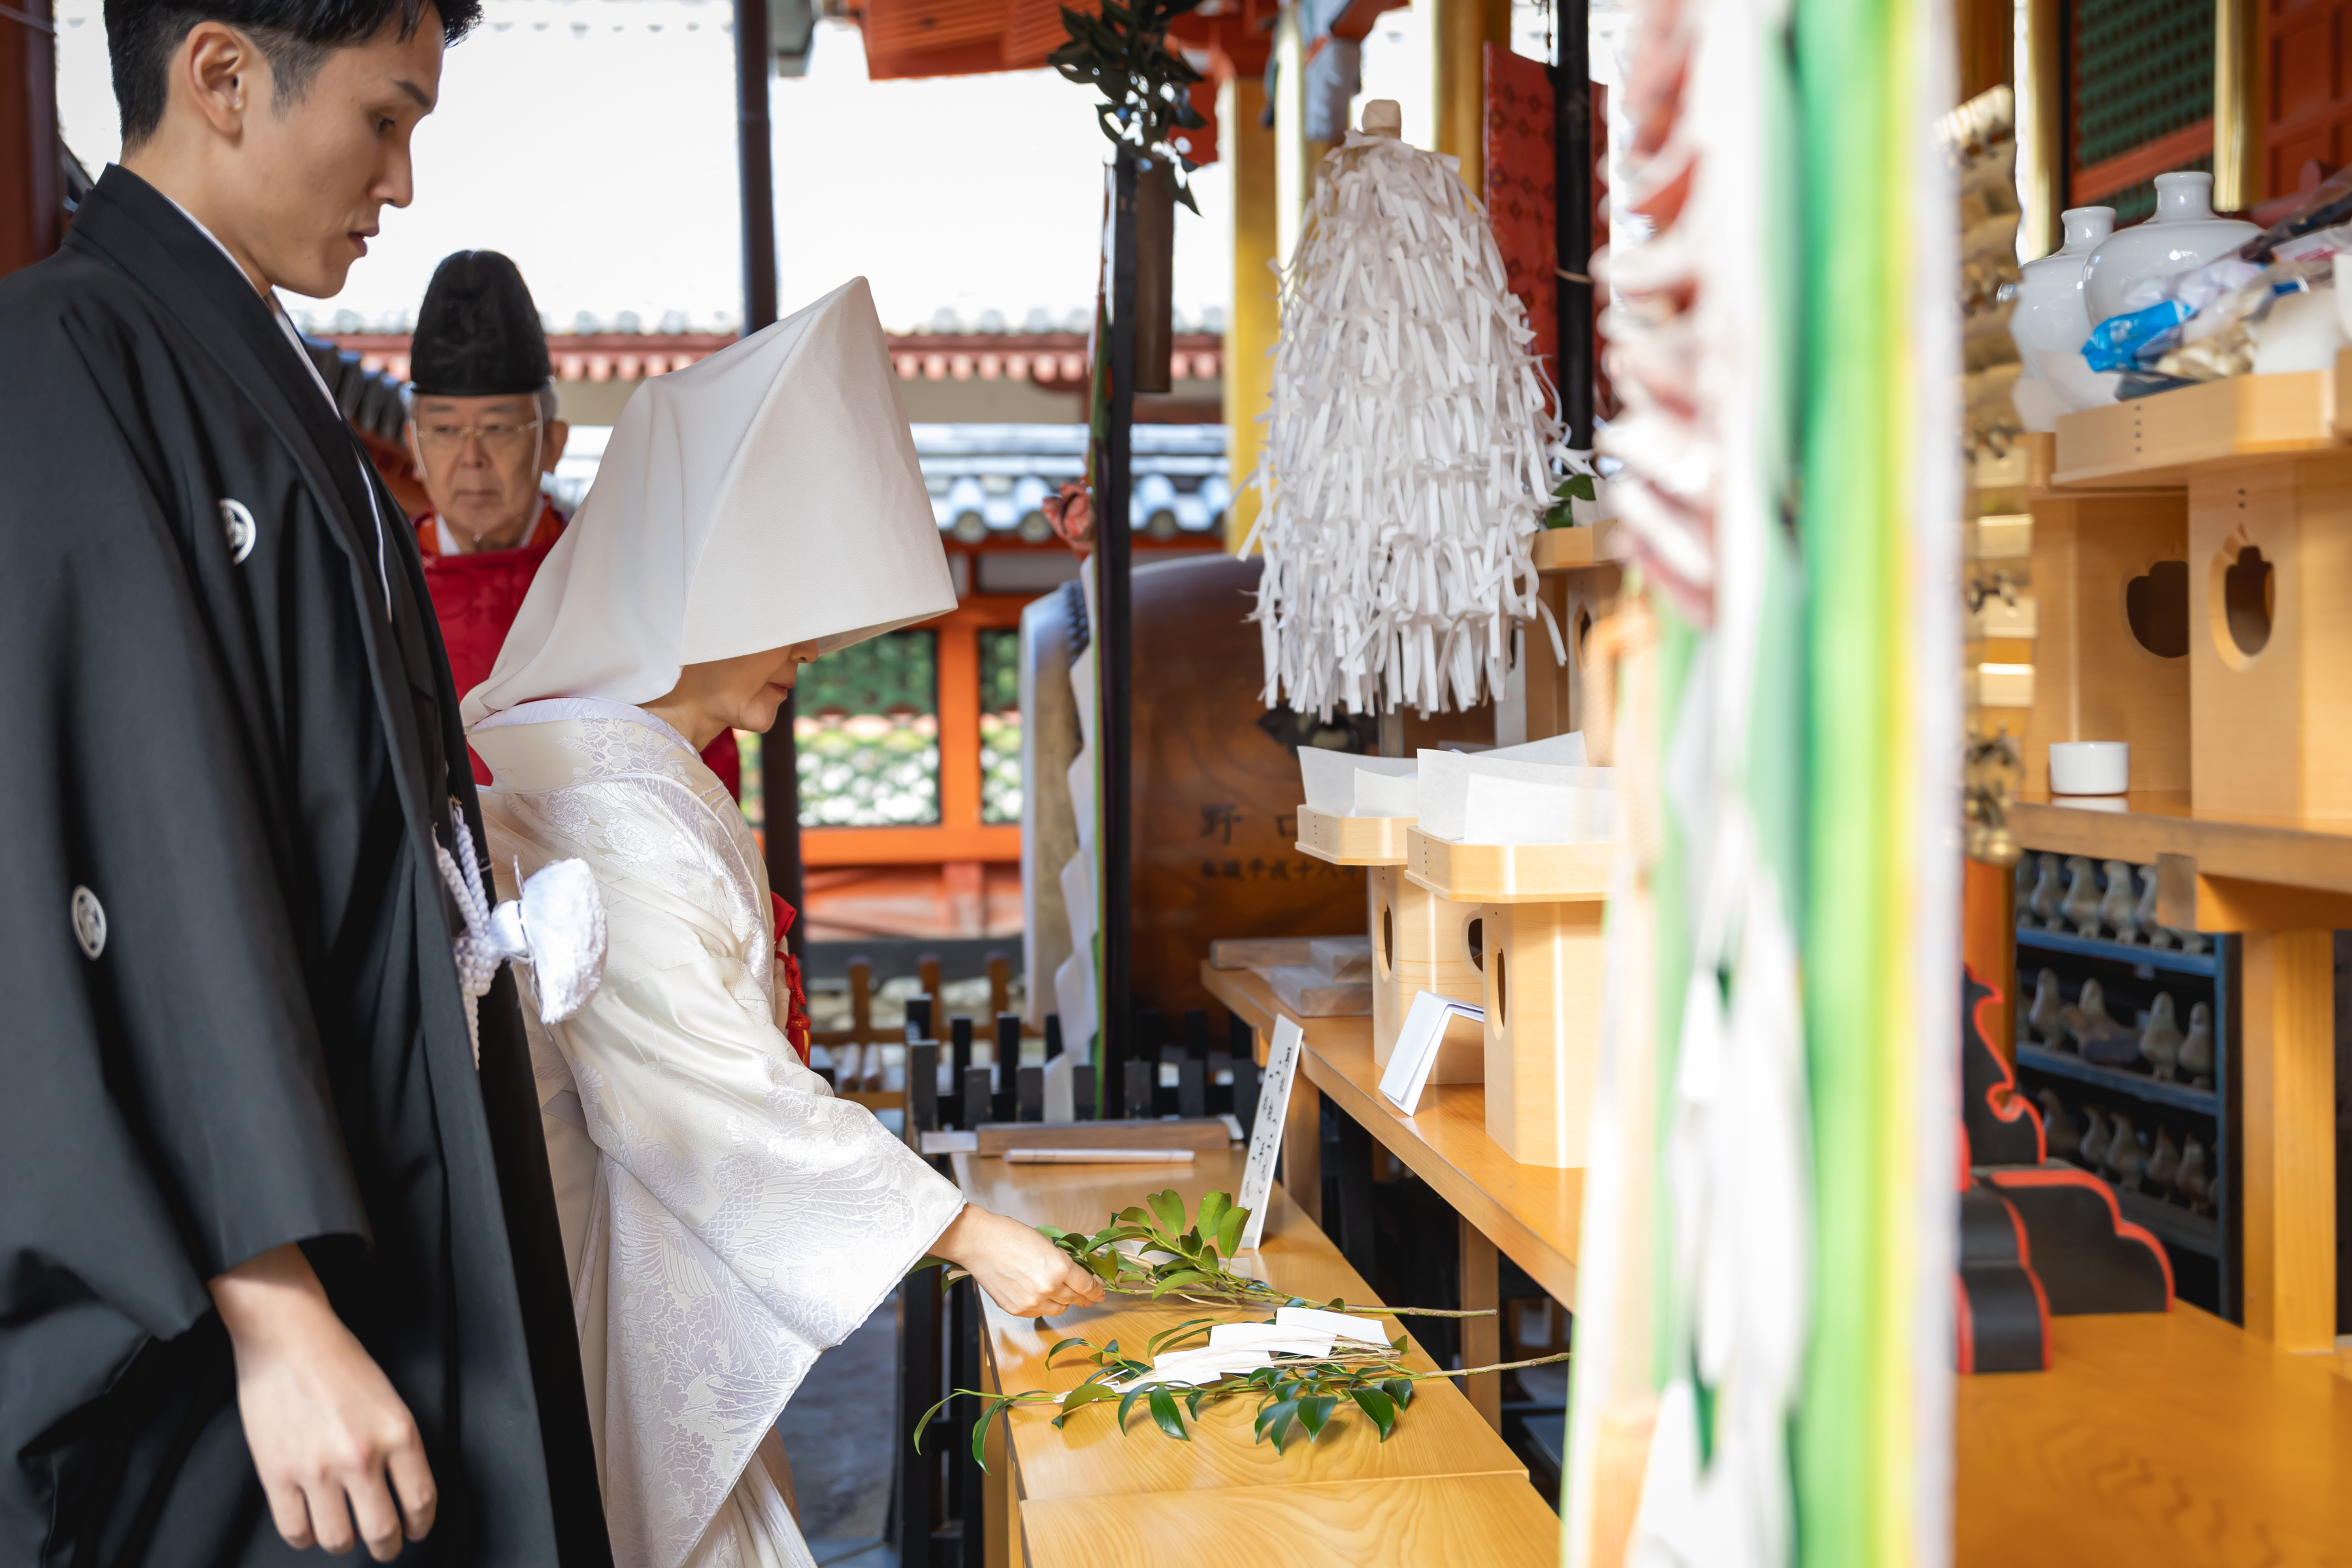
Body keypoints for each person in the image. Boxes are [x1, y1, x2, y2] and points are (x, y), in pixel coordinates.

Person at [0, 3, 607, 1564]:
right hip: (255, 1278)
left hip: (382, 1181)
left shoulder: (256, 365)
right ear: (219, 75)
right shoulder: (68, 353)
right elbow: (132, 844)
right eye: (385, 119)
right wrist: (269, 1301)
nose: (399, 182)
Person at [464, 277, 1103, 1568]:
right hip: (609, 1253)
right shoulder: (607, 794)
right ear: (697, 593)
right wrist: (968, 1235)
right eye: (789, 610)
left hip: (643, 1240)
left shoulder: (610, 760)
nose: (814, 647)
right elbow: (710, 1103)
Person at [402, 250, 741, 794]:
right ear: (412, 446)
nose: (471, 458)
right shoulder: (378, 587)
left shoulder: (623, 588)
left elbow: (699, 763)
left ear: (552, 444)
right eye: (444, 430)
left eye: (499, 428)